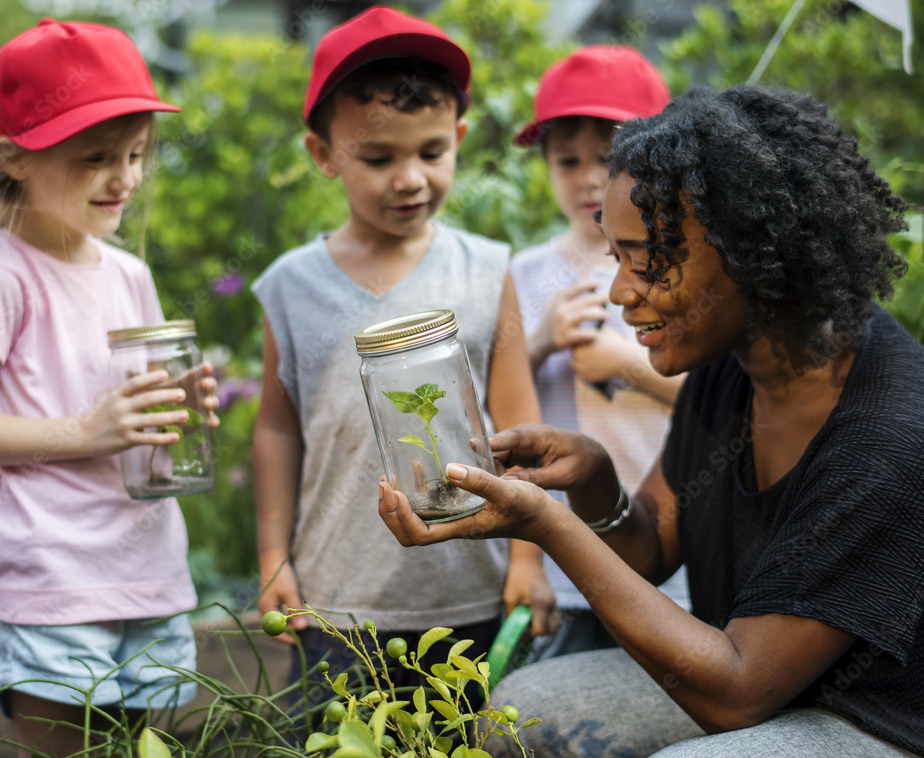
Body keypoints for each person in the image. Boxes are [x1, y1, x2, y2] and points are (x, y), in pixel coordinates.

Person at [380, 84, 924, 757]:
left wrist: (544, 523)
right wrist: (593, 483)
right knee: (520, 714)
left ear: (755, 250)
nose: (620, 292)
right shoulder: (733, 366)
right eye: (618, 257)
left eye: (650, 258)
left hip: (874, 722)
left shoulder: (888, 434)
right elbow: (651, 548)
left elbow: (736, 692)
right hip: (768, 685)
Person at [0, 19, 219, 758]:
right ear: (12, 159)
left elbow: (137, 416)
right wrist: (86, 432)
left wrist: (180, 407)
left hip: (144, 571)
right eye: (96, 159)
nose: (124, 178)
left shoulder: (131, 274)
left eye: (133, 156)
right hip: (53, 582)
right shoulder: (0, 276)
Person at [251, 5, 554, 698]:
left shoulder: (485, 269)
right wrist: (274, 557)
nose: (410, 178)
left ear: (461, 138)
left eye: (431, 152)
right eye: (378, 157)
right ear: (323, 154)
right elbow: (274, 428)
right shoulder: (292, 286)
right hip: (336, 603)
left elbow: (518, 420)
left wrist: (528, 562)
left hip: (471, 594)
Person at [510, 45, 690, 660]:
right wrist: (540, 343)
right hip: (566, 562)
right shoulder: (523, 274)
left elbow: (719, 397)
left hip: (670, 546)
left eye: (608, 161)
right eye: (567, 161)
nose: (588, 177)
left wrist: (625, 368)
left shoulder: (680, 271)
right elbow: (493, 396)